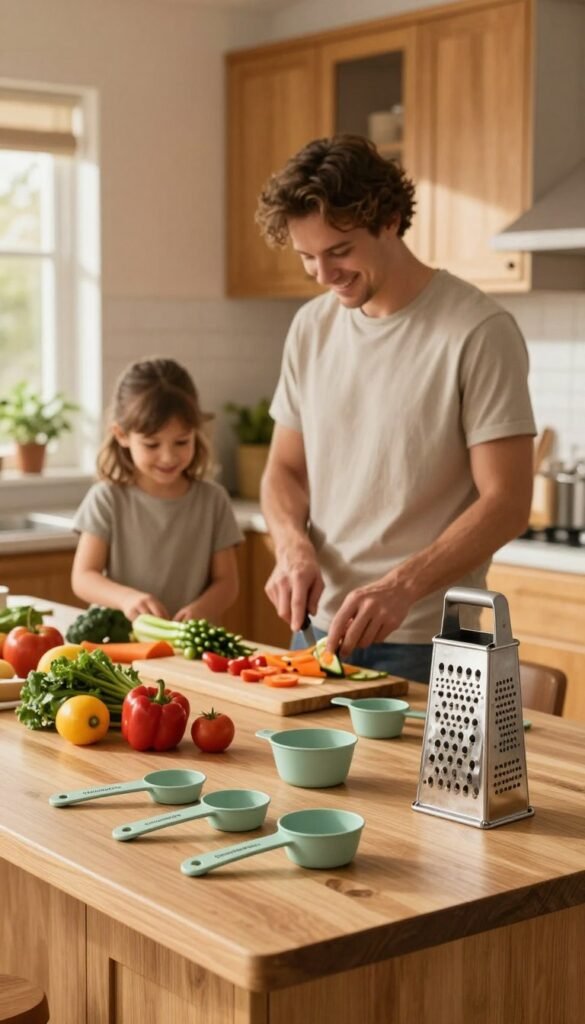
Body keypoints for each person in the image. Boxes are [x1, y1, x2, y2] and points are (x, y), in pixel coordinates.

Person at [255, 134, 535, 683]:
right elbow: (284, 470)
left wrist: (400, 586)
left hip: (427, 642)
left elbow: (508, 501)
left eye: (339, 252)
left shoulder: (477, 331)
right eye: (307, 257)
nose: (322, 274)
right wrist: (291, 546)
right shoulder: (312, 327)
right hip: (315, 631)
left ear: (388, 220)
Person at [71, 358, 243, 623]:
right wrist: (126, 598)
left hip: (191, 649)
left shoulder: (213, 500)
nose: (168, 457)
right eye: (152, 444)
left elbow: (227, 583)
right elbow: (83, 577)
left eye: (182, 441)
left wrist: (201, 610)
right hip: (124, 647)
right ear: (121, 435)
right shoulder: (107, 498)